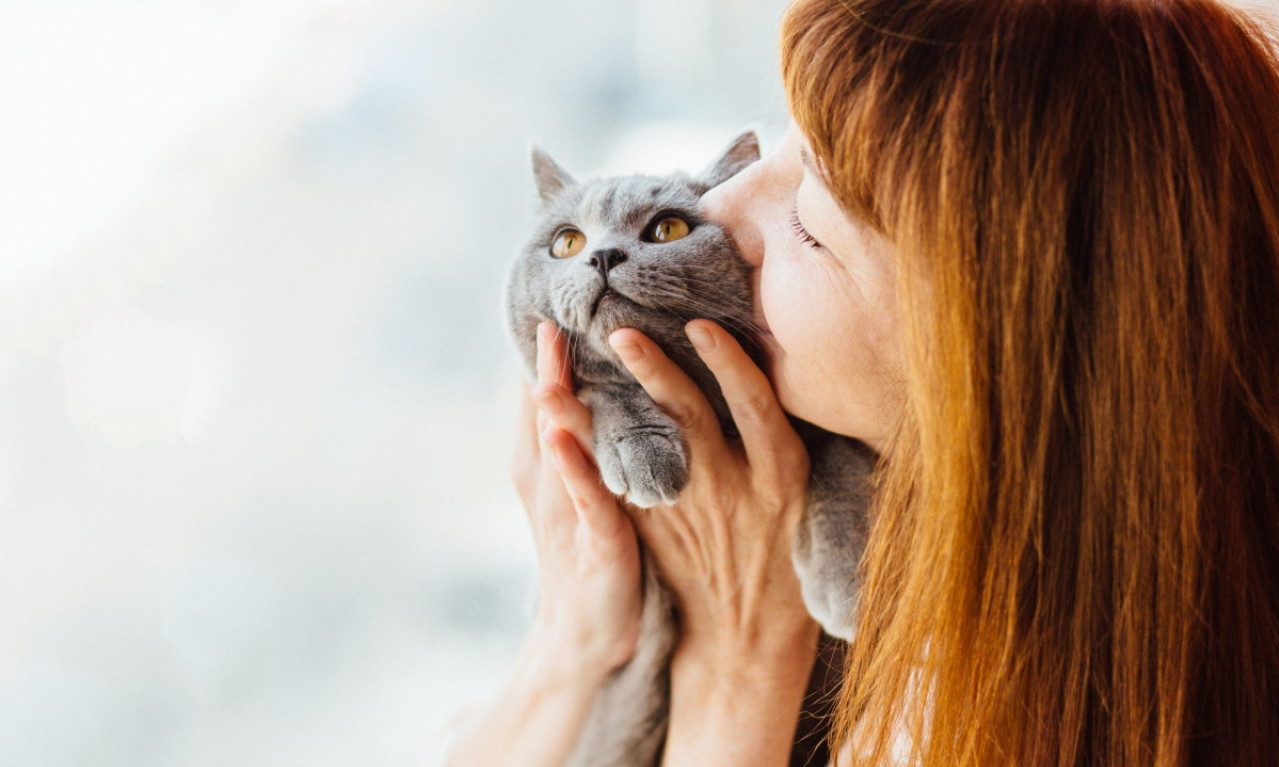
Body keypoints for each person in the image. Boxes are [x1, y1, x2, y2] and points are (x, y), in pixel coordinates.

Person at [444, 0, 1279, 764]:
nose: (723, 207)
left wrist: (740, 655)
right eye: (784, 144)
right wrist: (574, 636)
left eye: (812, 216)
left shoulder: (966, 715)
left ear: (982, 370)